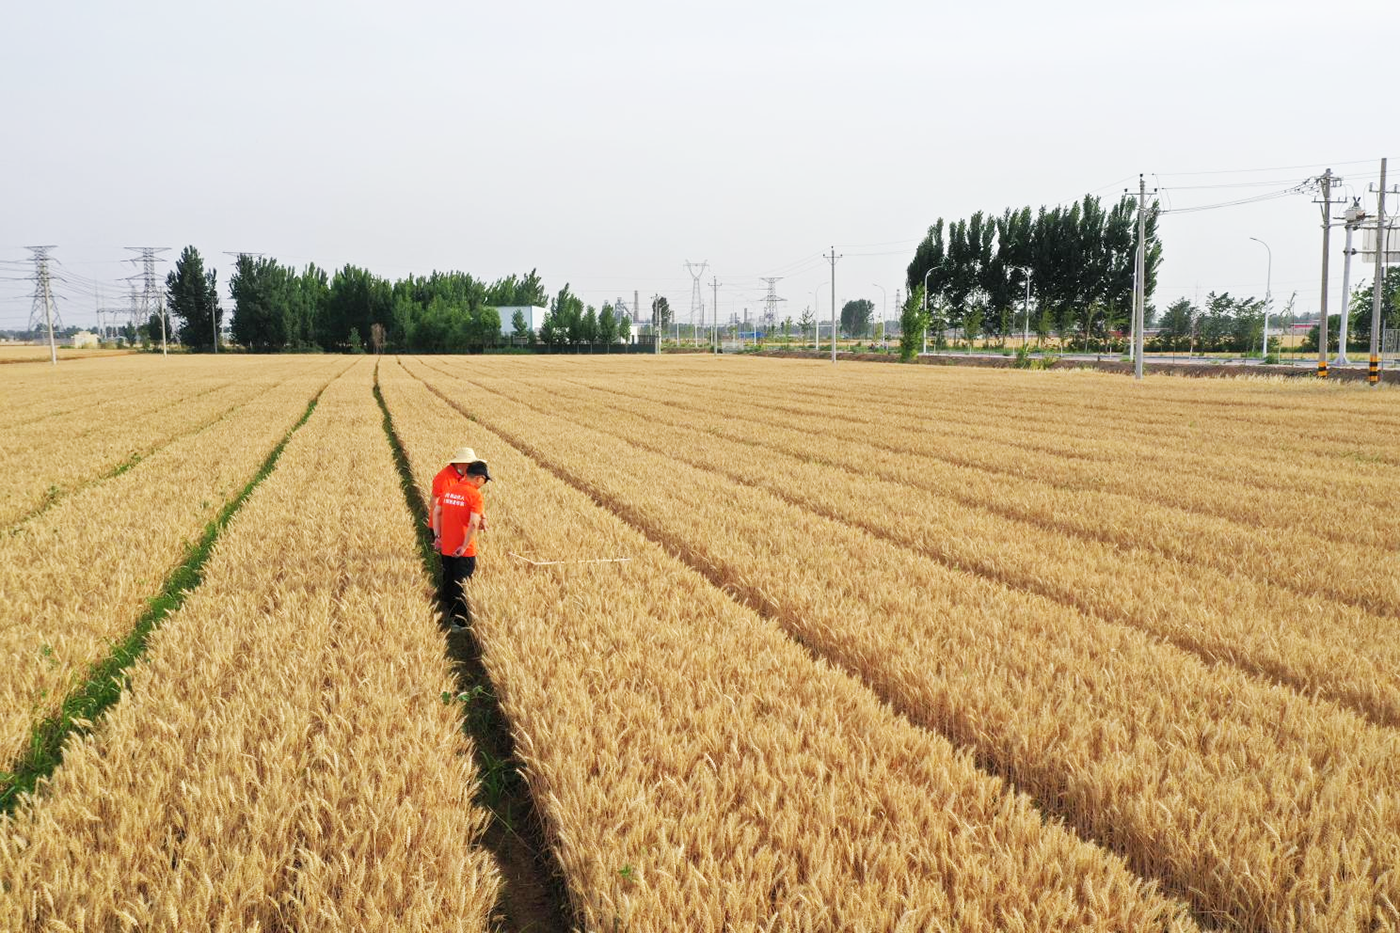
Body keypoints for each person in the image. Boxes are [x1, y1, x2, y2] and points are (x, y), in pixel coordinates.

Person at [434, 460, 491, 626]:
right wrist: (464, 546)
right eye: (485, 480)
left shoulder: (450, 490)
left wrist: (438, 537)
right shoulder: (475, 495)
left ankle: (446, 611)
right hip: (464, 550)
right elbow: (473, 523)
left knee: (449, 578)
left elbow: (437, 512)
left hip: (446, 546)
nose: (484, 484)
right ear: (479, 478)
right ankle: (459, 623)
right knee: (462, 584)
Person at [430, 447, 476, 539]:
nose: (472, 468)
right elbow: (434, 501)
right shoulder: (444, 478)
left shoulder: (465, 476)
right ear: (460, 464)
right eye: (470, 464)